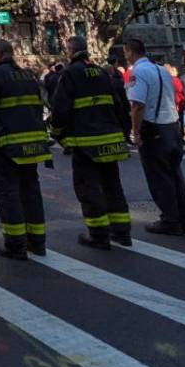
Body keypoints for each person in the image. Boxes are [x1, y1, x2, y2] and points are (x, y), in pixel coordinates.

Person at [0, 40, 51, 260]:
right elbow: (39, 106)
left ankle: (15, 244)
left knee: (9, 194)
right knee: (31, 192)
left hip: (7, 146)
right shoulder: (28, 76)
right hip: (33, 145)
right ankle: (38, 241)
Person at [51, 37, 132, 249]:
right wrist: (124, 133)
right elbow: (119, 105)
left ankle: (98, 234)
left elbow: (60, 109)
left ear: (70, 50)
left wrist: (59, 134)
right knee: (113, 186)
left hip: (86, 143)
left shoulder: (70, 74)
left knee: (89, 188)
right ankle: (122, 232)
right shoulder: (102, 72)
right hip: (110, 140)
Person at [124, 39, 185, 235]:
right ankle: (182, 218)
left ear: (130, 52)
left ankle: (170, 219)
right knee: (175, 175)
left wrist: (135, 132)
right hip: (172, 125)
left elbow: (138, 105)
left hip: (154, 129)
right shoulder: (162, 70)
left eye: (126, 52)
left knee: (160, 177)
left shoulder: (138, 72)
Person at [165, 64, 185, 142]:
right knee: (179, 122)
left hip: (170, 104)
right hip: (178, 104)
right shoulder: (175, 80)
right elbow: (180, 90)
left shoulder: (165, 79)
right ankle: (180, 138)